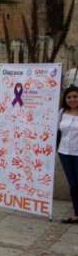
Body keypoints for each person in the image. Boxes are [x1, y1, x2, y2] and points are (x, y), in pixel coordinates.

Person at [58, 86, 78, 224]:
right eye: (69, 97)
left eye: (75, 96)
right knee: (73, 184)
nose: (72, 99)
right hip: (64, 152)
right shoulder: (61, 112)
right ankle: (77, 213)